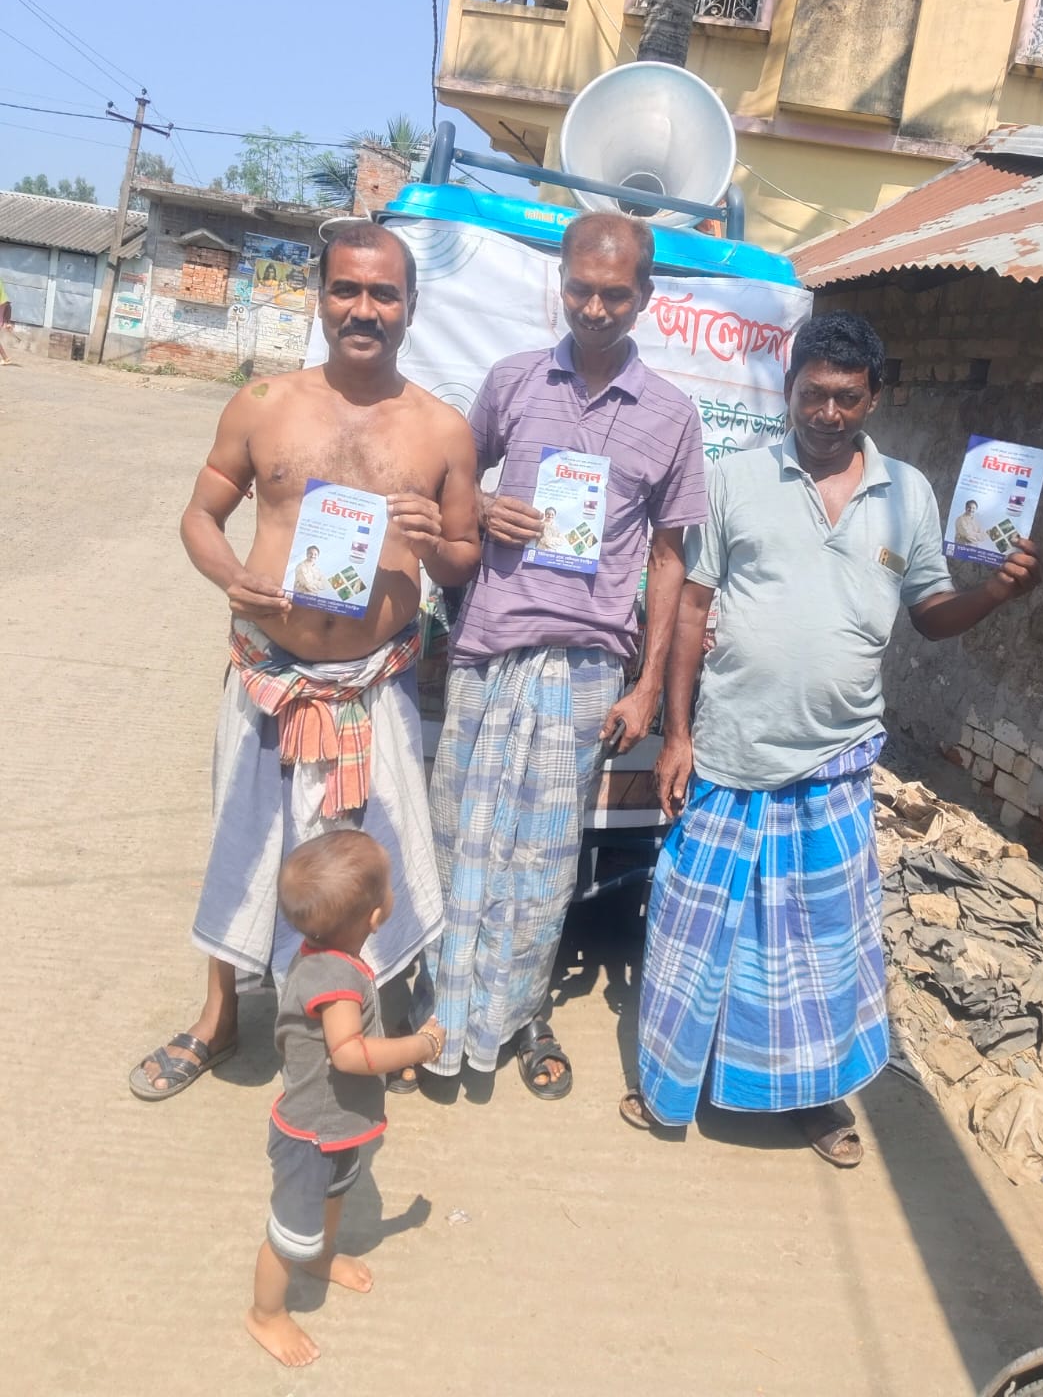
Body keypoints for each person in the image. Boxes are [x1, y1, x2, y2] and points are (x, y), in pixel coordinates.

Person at [622, 311, 1041, 1163]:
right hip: (732, 753)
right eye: (813, 394)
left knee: (820, 953)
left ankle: (814, 1100)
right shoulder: (734, 479)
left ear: (874, 398)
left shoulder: (909, 494)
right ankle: (672, 1080)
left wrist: (996, 593)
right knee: (696, 933)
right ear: (789, 390)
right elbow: (693, 607)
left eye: (847, 397)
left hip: (835, 763)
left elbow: (930, 613)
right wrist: (676, 735)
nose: (827, 413)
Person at [129, 220, 481, 1100]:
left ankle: (361, 1022)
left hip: (373, 688)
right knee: (242, 846)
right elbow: (201, 515)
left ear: (411, 306)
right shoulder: (263, 402)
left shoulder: (444, 431)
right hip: (268, 678)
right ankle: (219, 1018)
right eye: (346, 289)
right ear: (322, 298)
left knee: (366, 858)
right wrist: (231, 577)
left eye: (384, 293)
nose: (364, 309)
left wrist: (436, 544)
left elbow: (463, 560)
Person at [410, 212, 708, 1099]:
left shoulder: (672, 415)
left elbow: (669, 558)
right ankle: (438, 1014)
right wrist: (482, 508)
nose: (594, 307)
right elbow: (451, 485)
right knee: (458, 838)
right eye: (580, 288)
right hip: (490, 648)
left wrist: (647, 686)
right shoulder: (511, 382)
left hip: (585, 668)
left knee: (544, 859)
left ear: (645, 296)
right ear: (562, 283)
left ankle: (522, 1013)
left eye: (615, 293)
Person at [247, 830, 446, 1367]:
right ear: (376, 917)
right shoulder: (335, 982)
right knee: (288, 1234)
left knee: (334, 1197)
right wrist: (418, 1047)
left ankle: (320, 1256)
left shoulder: (327, 956)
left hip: (334, 1128)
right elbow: (350, 1054)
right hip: (308, 1136)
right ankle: (265, 1313)